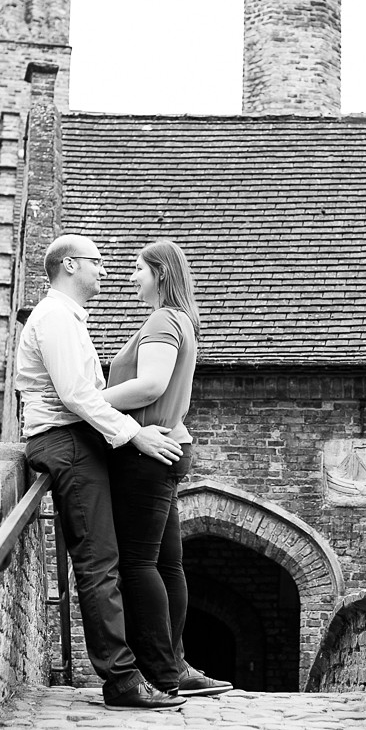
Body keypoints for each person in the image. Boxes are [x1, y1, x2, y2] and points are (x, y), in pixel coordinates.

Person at [15, 233, 186, 711]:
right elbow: (75, 395)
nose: (105, 272)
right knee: (99, 563)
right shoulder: (54, 318)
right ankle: (122, 682)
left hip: (79, 441)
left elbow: (83, 392)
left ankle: (138, 674)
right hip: (65, 443)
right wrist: (135, 434)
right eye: (96, 262)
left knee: (107, 561)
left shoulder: (67, 319)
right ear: (70, 266)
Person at [101, 240, 233, 698]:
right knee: (168, 563)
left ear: (159, 272)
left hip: (146, 453)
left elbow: (152, 384)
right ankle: (176, 664)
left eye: (137, 269)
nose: (130, 278)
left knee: (138, 564)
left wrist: (85, 400)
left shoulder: (161, 320)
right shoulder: (181, 320)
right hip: (169, 447)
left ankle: (162, 669)